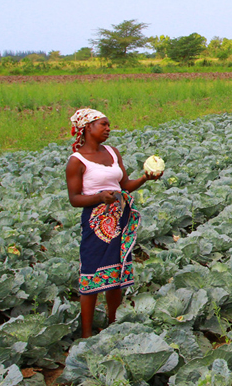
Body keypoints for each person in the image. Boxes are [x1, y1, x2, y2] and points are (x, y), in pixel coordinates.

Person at [65, 108, 160, 338]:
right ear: (88, 127)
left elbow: (124, 185)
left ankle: (113, 322)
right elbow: (74, 198)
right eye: (103, 125)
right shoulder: (76, 161)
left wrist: (145, 178)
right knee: (91, 274)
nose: (108, 129)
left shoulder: (113, 152)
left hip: (120, 218)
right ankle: (86, 334)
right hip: (96, 223)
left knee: (116, 274)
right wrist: (99, 197)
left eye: (109, 125)